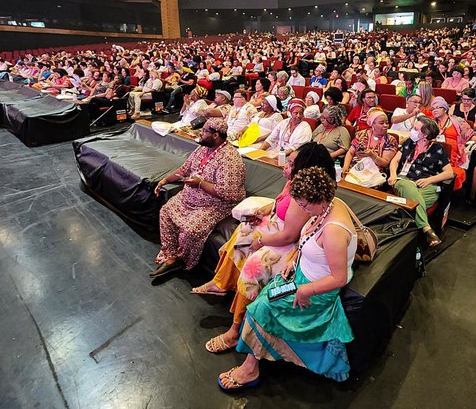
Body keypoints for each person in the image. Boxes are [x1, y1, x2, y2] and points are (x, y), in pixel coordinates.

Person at [218, 166, 357, 390]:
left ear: (320, 198)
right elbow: (309, 241)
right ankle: (252, 360)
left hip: (316, 290)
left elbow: (339, 278)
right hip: (299, 276)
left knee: (261, 307)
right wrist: (294, 257)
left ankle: (250, 368)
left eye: (304, 205)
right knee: (265, 298)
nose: (301, 209)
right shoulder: (327, 206)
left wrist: (306, 290)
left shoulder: (333, 231)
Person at [192, 143, 334, 353]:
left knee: (254, 267)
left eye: (293, 163)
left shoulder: (305, 195)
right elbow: (278, 204)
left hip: (290, 243)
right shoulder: (294, 182)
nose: (287, 166)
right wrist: (262, 211)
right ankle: (222, 283)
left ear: (306, 166)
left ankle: (235, 330)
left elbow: (290, 236)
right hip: (278, 227)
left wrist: (262, 242)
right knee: (243, 232)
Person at [150, 118, 247, 277]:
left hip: (215, 205)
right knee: (166, 212)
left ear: (215, 135)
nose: (200, 134)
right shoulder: (202, 149)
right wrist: (165, 180)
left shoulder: (230, 159)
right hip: (189, 197)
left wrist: (201, 184)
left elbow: (229, 193)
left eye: (204, 131)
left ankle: (182, 261)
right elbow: (184, 169)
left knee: (191, 230)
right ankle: (171, 255)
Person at [388, 117, 454, 247]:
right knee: (405, 186)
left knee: (410, 204)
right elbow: (395, 161)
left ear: (425, 135)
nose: (412, 131)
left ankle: (404, 237)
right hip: (404, 180)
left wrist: (429, 180)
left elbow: (449, 173)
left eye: (416, 129)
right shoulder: (409, 143)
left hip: (426, 185)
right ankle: (426, 229)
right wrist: (393, 175)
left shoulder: (437, 149)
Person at [429, 97, 476, 189]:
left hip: (453, 153)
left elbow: (470, 136)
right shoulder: (430, 123)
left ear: (445, 109)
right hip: (434, 151)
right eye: (433, 109)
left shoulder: (458, 121)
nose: (434, 110)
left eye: (437, 107)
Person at [342, 107, 398, 177]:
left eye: (387, 123)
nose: (385, 126)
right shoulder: (361, 134)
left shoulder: (390, 140)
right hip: (355, 168)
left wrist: (372, 155)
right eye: (381, 123)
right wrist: (346, 166)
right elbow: (350, 153)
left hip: (375, 173)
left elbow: (385, 163)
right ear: (372, 124)